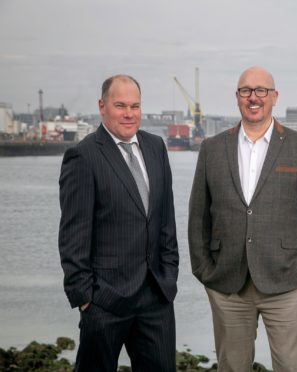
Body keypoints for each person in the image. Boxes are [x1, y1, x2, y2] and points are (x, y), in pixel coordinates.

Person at [188, 66, 297, 372]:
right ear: (237, 97)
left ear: (274, 96)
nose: (254, 98)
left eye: (261, 91)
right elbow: (198, 216)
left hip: (289, 285)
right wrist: (204, 271)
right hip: (227, 287)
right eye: (246, 91)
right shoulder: (212, 149)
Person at [58, 75, 179, 372]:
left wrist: (169, 275)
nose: (129, 113)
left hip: (155, 298)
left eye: (135, 106)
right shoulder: (83, 156)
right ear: (102, 107)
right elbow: (73, 236)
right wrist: (86, 298)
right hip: (105, 301)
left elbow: (166, 221)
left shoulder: (155, 147)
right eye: (120, 105)